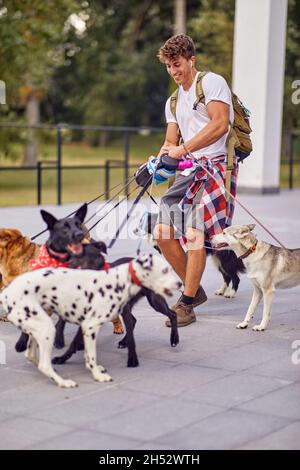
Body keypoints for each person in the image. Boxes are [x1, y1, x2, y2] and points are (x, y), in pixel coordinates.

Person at [153, 34, 238, 327]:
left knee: (194, 233)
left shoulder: (212, 82)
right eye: (168, 66)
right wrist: (159, 158)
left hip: (214, 169)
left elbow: (220, 124)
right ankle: (196, 290)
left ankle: (186, 303)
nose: (174, 71)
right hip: (187, 172)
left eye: (177, 64)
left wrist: (183, 149)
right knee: (162, 232)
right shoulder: (174, 100)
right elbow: (170, 141)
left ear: (191, 60)